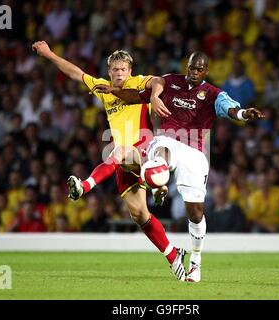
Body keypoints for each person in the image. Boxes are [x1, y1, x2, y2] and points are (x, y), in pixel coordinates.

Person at [93, 51, 265, 282]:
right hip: (167, 141)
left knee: (195, 212)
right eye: (191, 67)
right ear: (187, 66)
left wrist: (244, 113)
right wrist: (115, 90)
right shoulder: (170, 82)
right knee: (159, 150)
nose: (194, 73)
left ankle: (195, 261)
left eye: (199, 69)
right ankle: (158, 184)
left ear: (206, 71)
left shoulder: (214, 94)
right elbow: (136, 96)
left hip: (194, 152)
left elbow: (232, 109)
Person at [32, 41, 186, 281]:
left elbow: (159, 81)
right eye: (115, 69)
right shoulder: (103, 88)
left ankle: (84, 187)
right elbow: (76, 73)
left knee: (119, 149)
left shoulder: (138, 83)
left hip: (142, 149)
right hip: (122, 161)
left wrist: (154, 96)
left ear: (130, 70)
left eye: (123, 69)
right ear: (109, 72)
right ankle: (174, 255)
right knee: (139, 215)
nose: (119, 74)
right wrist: (49, 54)